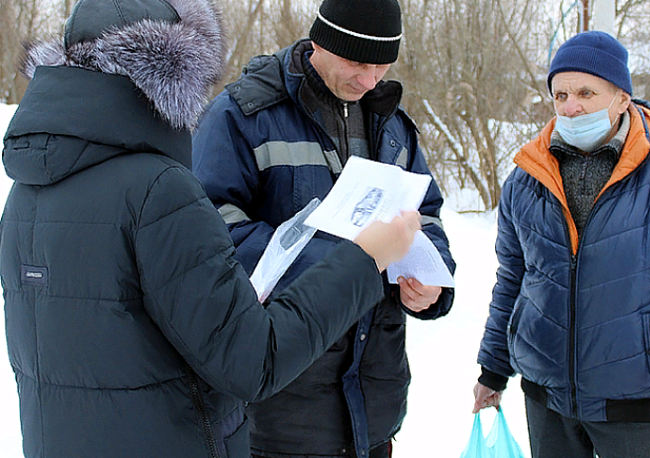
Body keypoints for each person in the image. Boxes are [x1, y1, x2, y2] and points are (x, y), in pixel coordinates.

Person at [0, 0, 422, 457]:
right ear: (175, 75)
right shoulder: (160, 189)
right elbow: (253, 361)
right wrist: (363, 261)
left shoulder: (24, 196)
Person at [191, 1, 455, 457]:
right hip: (280, 411)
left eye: (382, 65)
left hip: (374, 409)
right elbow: (209, 229)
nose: (370, 79)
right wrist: (345, 264)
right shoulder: (242, 115)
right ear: (320, 43)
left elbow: (425, 209)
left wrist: (433, 278)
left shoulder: (391, 122)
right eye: (357, 62)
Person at [472, 31, 650, 458]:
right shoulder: (527, 179)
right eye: (560, 95)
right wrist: (493, 368)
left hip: (634, 401)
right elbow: (513, 280)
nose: (570, 106)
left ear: (622, 97)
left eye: (585, 92)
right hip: (546, 398)